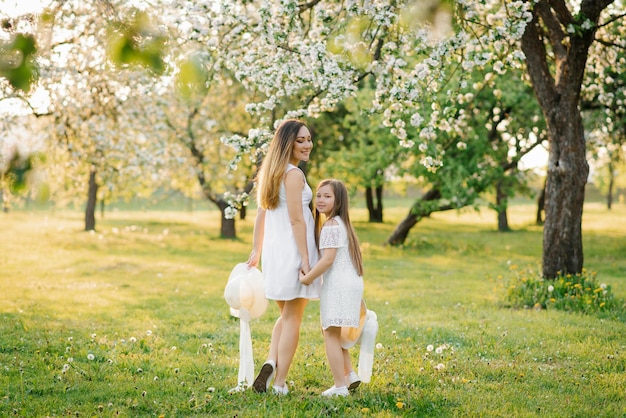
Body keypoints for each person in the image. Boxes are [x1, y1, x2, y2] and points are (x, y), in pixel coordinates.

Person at [247, 119, 321, 395]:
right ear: (287, 142)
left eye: (309, 139)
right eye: (300, 140)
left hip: (275, 254)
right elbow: (297, 220)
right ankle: (279, 383)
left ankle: (270, 360)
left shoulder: (271, 172)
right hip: (293, 251)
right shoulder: (294, 175)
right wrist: (305, 259)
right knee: (293, 319)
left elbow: (260, 213)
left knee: (285, 316)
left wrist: (257, 249)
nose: (307, 145)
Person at [299, 179, 364, 397]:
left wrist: (307, 278)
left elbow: (328, 260)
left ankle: (339, 387)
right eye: (318, 195)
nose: (320, 200)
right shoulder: (342, 224)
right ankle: (349, 374)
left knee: (331, 334)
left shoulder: (331, 226)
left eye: (327, 196)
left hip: (338, 285)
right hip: (351, 283)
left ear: (339, 200)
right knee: (334, 332)